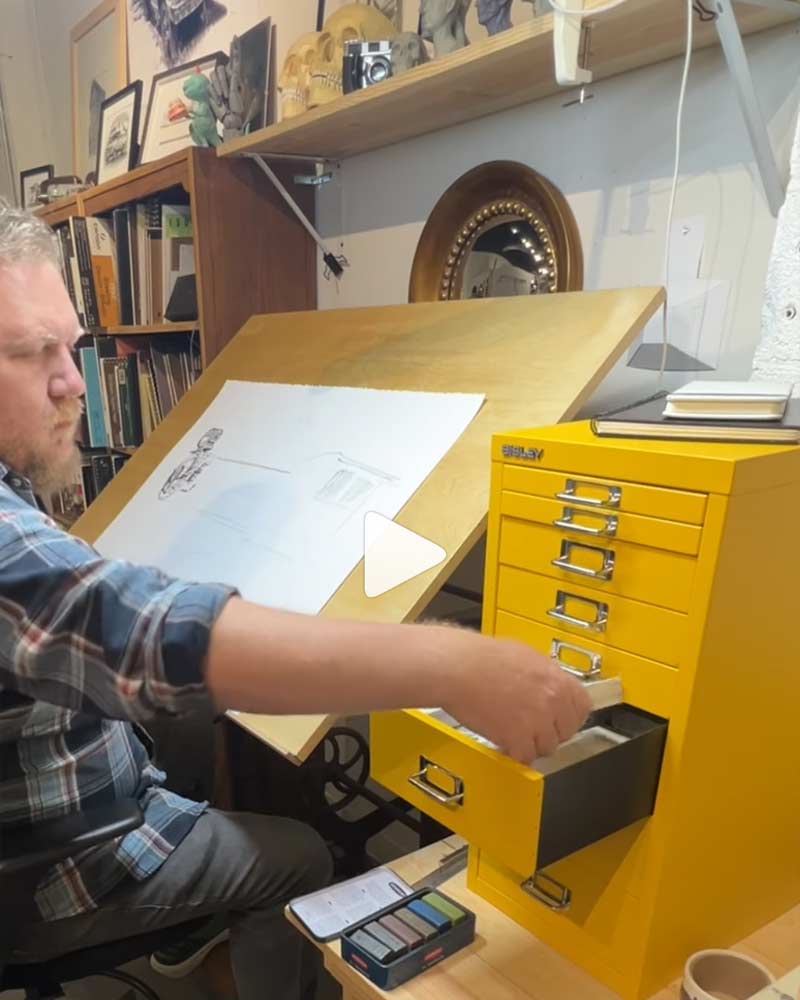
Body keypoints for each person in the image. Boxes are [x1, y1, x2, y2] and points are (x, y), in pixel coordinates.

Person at [0, 201, 591, 1000]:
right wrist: (455, 664)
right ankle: (224, 918)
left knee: (190, 721)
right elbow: (147, 633)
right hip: (45, 875)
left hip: (44, 794)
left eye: (73, 347)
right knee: (302, 857)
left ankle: (194, 919)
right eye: (37, 354)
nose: (72, 382)